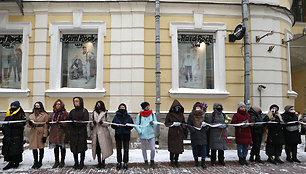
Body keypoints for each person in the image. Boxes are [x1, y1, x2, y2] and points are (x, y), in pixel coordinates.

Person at [2, 101, 26, 170]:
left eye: (14, 106)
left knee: (15, 149)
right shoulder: (9, 112)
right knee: (9, 148)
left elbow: (23, 123)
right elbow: (5, 122)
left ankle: (16, 162)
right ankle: (10, 162)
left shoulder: (21, 113)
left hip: (17, 134)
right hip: (9, 134)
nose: (13, 107)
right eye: (12, 106)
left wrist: (13, 124)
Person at [67, 97, 89, 170]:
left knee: (82, 148)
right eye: (74, 101)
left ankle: (81, 162)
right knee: (74, 148)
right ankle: (76, 162)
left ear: (80, 102)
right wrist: (72, 123)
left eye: (77, 101)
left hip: (81, 132)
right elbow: (68, 120)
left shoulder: (84, 111)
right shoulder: (72, 111)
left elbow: (85, 120)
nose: (76, 103)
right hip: (73, 133)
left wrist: (77, 123)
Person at [91, 100, 113, 169]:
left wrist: (102, 123)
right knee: (97, 148)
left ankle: (103, 162)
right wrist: (93, 123)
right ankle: (99, 161)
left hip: (103, 134)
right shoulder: (93, 113)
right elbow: (90, 123)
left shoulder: (105, 113)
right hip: (96, 133)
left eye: (100, 104)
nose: (98, 106)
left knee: (103, 148)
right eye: (97, 104)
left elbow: (109, 123)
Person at [135, 102, 157, 169]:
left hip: (151, 133)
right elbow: (136, 124)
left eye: (148, 106)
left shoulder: (152, 114)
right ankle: (146, 161)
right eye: (146, 106)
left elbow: (156, 123)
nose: (148, 107)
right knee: (144, 149)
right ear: (143, 107)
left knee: (153, 149)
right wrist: (140, 131)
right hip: (143, 134)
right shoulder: (140, 115)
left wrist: (153, 123)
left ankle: (152, 161)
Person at [111, 103, 134, 170]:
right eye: (121, 107)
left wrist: (128, 126)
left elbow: (132, 125)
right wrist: (116, 126)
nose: (122, 108)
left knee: (126, 149)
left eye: (123, 107)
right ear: (119, 108)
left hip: (126, 134)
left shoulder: (128, 116)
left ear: (125, 108)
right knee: (118, 149)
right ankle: (119, 162)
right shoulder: (116, 116)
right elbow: (112, 125)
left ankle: (125, 162)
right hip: (118, 134)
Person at [165, 99, 186, 168]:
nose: (177, 108)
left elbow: (184, 123)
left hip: (179, 132)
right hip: (172, 133)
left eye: (178, 107)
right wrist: (173, 124)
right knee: (172, 147)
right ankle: (171, 160)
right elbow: (166, 123)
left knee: (178, 148)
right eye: (176, 107)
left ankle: (176, 160)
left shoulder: (181, 114)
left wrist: (181, 125)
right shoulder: (170, 114)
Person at [28, 102, 49, 169]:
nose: (37, 107)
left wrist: (45, 135)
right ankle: (35, 161)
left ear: (41, 106)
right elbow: (28, 125)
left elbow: (46, 126)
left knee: (40, 147)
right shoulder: (31, 115)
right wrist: (30, 124)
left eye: (38, 105)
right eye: (35, 105)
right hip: (33, 132)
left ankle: (40, 161)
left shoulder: (45, 115)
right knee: (34, 148)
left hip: (41, 131)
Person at [48, 99, 68, 168]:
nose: (58, 105)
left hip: (61, 132)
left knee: (62, 147)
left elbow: (67, 123)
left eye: (59, 104)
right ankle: (56, 161)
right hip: (54, 132)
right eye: (56, 104)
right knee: (55, 147)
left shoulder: (64, 113)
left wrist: (61, 123)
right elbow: (50, 121)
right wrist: (49, 122)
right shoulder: (53, 113)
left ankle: (62, 161)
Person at [187, 102, 208, 169]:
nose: (198, 108)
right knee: (195, 148)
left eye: (199, 107)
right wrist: (192, 129)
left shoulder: (204, 115)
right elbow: (189, 124)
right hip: (195, 134)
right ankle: (196, 160)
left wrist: (205, 128)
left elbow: (208, 124)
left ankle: (203, 161)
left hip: (202, 133)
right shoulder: (191, 115)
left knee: (204, 148)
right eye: (197, 107)